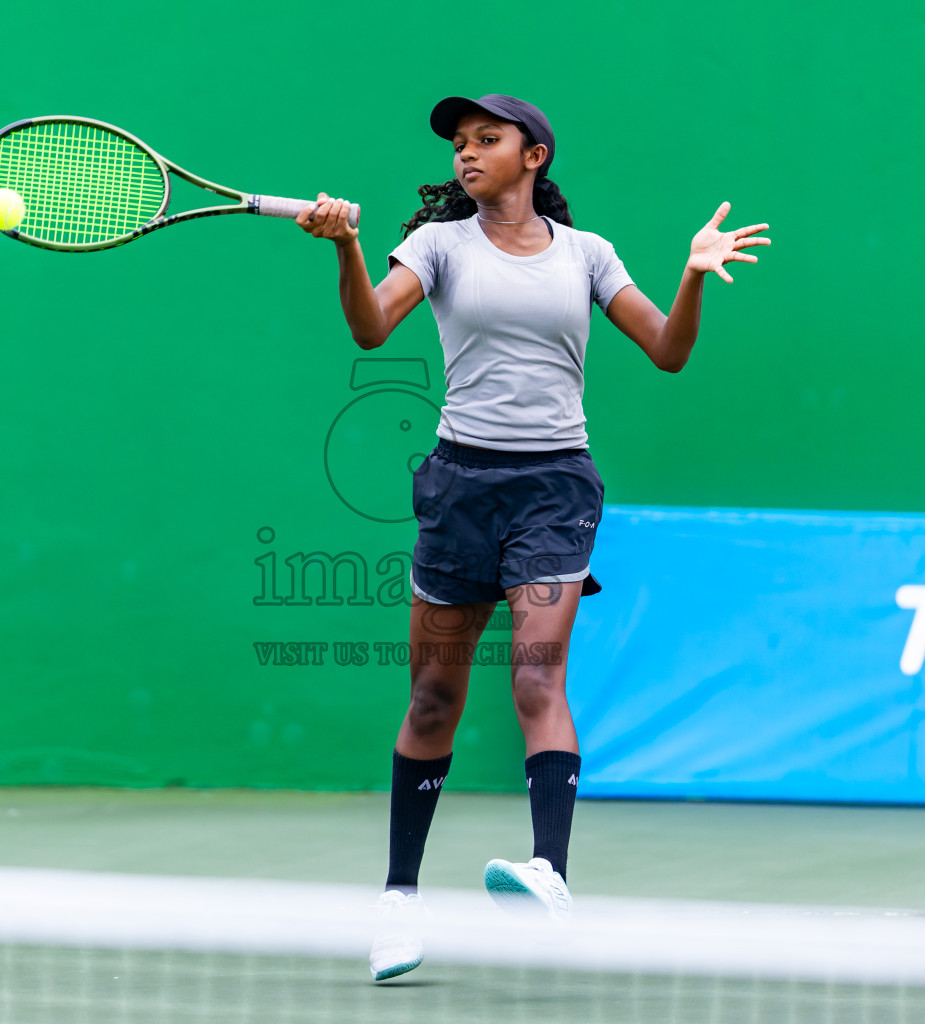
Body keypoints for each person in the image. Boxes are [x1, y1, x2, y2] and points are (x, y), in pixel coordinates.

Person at [295, 93, 770, 981]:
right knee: (434, 698)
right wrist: (350, 248)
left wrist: (695, 273)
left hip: (555, 486)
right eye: (460, 144)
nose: (468, 155)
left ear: (534, 156)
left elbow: (668, 349)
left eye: (488, 140)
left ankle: (550, 869)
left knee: (535, 672)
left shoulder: (588, 257)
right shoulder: (436, 245)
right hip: (459, 485)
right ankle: (400, 898)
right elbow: (369, 326)